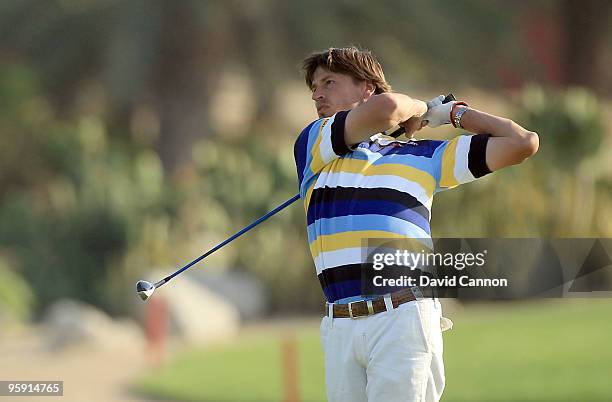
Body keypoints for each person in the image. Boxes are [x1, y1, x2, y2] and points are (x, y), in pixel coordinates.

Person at [293, 46, 538, 402]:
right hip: (339, 324)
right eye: (314, 86)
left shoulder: (423, 157)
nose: (317, 93)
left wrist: (454, 114)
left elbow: (522, 142)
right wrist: (422, 108)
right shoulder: (314, 143)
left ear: (367, 88)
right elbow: (389, 109)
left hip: (402, 319)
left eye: (329, 82)